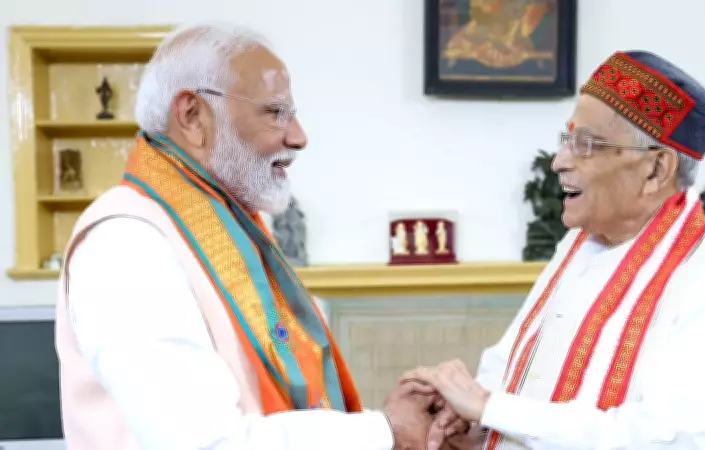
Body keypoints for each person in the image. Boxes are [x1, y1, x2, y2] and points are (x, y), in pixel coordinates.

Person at [54, 22, 460, 449]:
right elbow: (206, 444)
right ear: (192, 116)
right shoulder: (125, 243)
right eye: (275, 112)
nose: (298, 137)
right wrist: (385, 431)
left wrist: (390, 424)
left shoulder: (232, 225)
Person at [403, 50, 705, 450]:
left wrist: (490, 407)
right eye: (567, 139)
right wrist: (467, 421)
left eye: (585, 144)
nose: (559, 162)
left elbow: (668, 436)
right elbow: (510, 370)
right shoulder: (578, 243)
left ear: (656, 170)